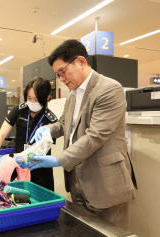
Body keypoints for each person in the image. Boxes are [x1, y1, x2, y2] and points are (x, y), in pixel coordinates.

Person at [30, 39, 137, 229]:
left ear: (81, 61)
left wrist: (58, 160)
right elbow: (65, 124)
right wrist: (48, 129)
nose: (61, 79)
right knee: (81, 231)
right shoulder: (73, 94)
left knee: (109, 232)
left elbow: (95, 136)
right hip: (76, 180)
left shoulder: (109, 89)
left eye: (62, 72)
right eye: (58, 75)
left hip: (104, 183)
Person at [0, 77, 57, 190]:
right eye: (29, 98)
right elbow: (1, 134)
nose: (32, 102)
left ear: (47, 98)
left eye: (36, 99)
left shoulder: (51, 120)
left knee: (40, 201)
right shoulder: (19, 110)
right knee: (11, 195)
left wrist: (22, 158)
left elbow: (44, 148)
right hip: (17, 166)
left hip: (40, 170)